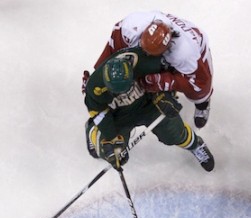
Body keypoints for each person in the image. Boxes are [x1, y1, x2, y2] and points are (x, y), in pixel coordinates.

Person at [84, 47, 214, 172]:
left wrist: (166, 96)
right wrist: (111, 138)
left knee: (173, 132)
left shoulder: (146, 61)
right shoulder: (95, 86)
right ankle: (92, 128)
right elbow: (98, 112)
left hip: (149, 104)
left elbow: (173, 73)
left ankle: (196, 145)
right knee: (107, 150)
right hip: (119, 116)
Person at [82, 11, 213, 129]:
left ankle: (203, 106)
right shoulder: (131, 27)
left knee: (199, 95)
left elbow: (200, 83)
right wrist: (97, 74)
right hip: (168, 43)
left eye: (151, 53)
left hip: (197, 44)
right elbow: (113, 49)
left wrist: (166, 82)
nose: (145, 55)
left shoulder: (185, 54)